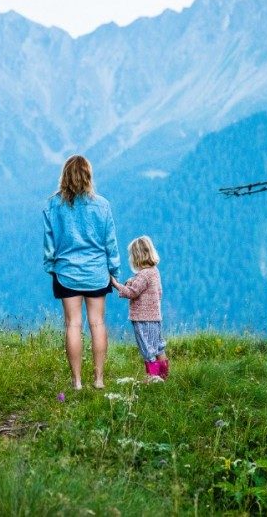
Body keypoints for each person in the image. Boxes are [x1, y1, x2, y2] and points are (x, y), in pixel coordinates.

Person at [43, 155, 120, 390]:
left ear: (65, 176)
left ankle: (76, 382)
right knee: (97, 323)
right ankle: (98, 379)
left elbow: (49, 243)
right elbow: (110, 243)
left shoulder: (52, 205)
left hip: (66, 273)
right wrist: (114, 271)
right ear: (88, 176)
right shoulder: (102, 205)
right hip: (97, 273)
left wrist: (51, 266)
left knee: (73, 325)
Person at [110, 236, 168, 381]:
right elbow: (158, 291)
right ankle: (164, 376)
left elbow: (132, 292)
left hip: (142, 319)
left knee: (147, 350)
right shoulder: (154, 271)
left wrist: (116, 284)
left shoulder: (143, 275)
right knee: (159, 346)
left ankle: (153, 379)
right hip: (155, 317)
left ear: (137, 256)